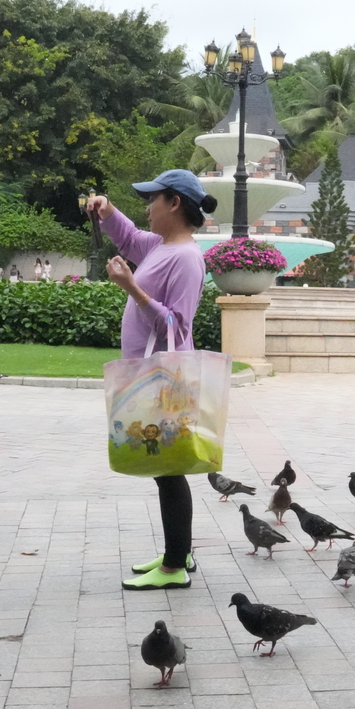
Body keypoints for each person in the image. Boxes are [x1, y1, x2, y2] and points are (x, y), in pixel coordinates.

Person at [83, 169, 215, 590]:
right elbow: (128, 237)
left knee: (168, 468)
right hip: (149, 374)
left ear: (174, 203)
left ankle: (174, 567)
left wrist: (131, 288)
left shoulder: (187, 258)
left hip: (163, 378)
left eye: (152, 199)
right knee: (165, 467)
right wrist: (107, 210)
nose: (147, 208)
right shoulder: (161, 245)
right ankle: (181, 552)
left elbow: (177, 323)